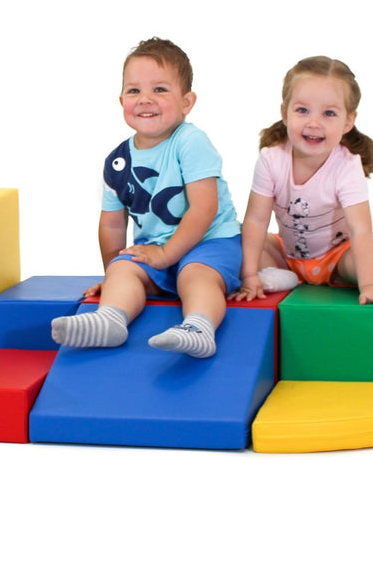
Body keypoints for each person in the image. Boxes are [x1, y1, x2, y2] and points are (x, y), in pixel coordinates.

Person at [229, 55, 373, 349]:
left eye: (329, 114)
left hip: (338, 256)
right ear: (285, 113)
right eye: (302, 110)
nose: (313, 122)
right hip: (291, 255)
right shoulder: (272, 159)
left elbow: (360, 230)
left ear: (349, 121)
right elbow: (257, 220)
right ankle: (281, 276)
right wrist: (248, 275)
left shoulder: (347, 167)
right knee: (235, 236)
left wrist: (371, 285)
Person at [50, 38, 242, 358]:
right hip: (157, 254)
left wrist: (167, 254)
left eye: (160, 90)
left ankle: (198, 327)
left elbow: (204, 208)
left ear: (187, 101)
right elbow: (112, 226)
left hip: (210, 243)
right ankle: (110, 320)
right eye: (134, 90)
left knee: (195, 274)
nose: (145, 100)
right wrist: (112, 275)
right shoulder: (118, 161)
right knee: (125, 269)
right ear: (121, 98)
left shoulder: (190, 141)